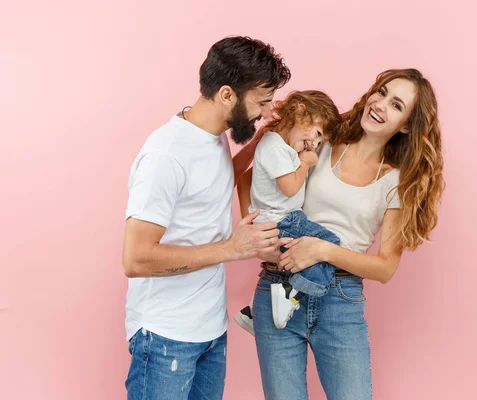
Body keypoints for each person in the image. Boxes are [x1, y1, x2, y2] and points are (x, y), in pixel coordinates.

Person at [237, 69, 444, 400]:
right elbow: (250, 180)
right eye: (381, 92)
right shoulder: (321, 143)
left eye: (396, 104)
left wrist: (322, 251)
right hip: (278, 286)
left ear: (406, 124)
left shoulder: (395, 182)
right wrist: (260, 230)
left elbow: (385, 267)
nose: (380, 104)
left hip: (339, 301)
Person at [121, 36, 291, 400]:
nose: (265, 110)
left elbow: (210, 182)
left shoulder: (211, 136)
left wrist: (262, 138)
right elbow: (136, 259)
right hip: (165, 335)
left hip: (210, 331)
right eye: (261, 102)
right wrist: (232, 248)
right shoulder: (166, 154)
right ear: (227, 95)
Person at [233, 90, 342, 334]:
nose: (314, 144)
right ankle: (290, 293)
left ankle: (255, 311)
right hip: (283, 221)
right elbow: (291, 188)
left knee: (308, 254)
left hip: (284, 218)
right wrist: (305, 163)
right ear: (300, 112)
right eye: (316, 134)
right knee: (329, 244)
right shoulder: (275, 149)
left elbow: (248, 179)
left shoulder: (280, 145)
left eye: (320, 142)